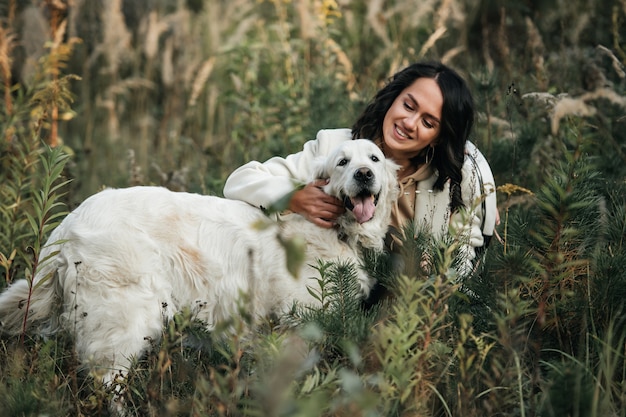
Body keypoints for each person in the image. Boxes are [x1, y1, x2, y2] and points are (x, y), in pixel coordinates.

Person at [223, 61, 498, 278]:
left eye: (428, 122)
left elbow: (462, 266)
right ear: (393, 99)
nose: (410, 122)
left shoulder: (451, 185)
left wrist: (481, 204)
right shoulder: (333, 148)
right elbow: (240, 180)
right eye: (408, 105)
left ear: (439, 136)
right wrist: (294, 197)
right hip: (326, 289)